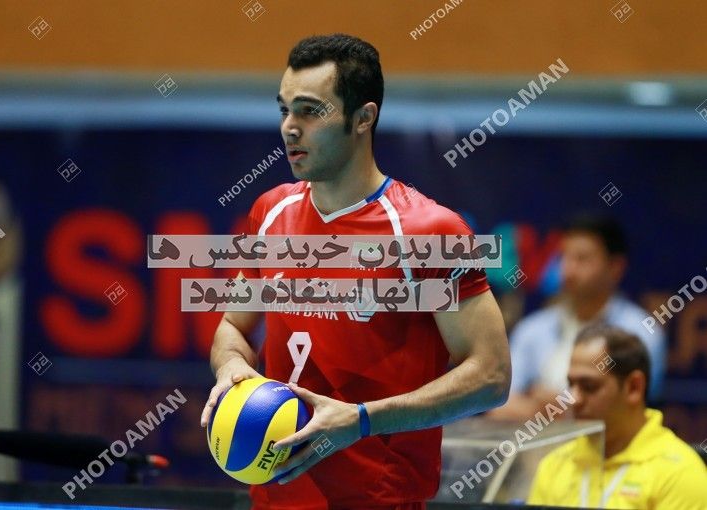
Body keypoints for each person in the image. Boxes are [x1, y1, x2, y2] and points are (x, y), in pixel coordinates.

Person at [199, 33, 511, 509]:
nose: (289, 128)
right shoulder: (270, 212)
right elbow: (232, 327)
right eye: (284, 110)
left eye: (309, 111)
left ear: (363, 118)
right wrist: (232, 366)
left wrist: (362, 419)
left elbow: (491, 376)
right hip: (272, 499)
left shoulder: (429, 232)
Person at [492, 213, 666, 420]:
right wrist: (558, 412)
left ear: (615, 267)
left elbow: (627, 412)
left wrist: (552, 408)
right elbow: (499, 407)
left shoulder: (641, 331)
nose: (569, 269)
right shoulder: (532, 329)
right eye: (563, 257)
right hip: (537, 442)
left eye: (582, 259)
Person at [529, 323, 707, 508]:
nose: (574, 399)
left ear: (634, 387)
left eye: (589, 386)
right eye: (571, 385)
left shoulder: (679, 473)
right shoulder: (553, 465)